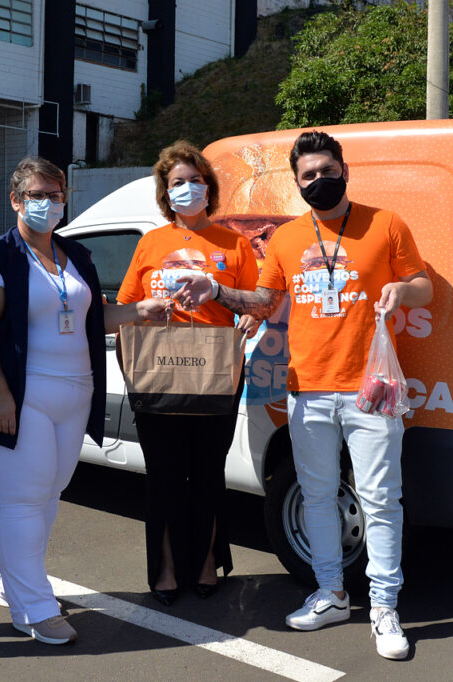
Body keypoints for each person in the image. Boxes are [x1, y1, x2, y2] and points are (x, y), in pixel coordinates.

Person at [175, 130, 433, 660]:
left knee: (382, 500)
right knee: (316, 497)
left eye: (326, 170)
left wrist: (403, 290)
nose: (319, 180)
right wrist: (217, 292)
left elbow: (424, 284)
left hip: (372, 390)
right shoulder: (289, 238)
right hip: (307, 389)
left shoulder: (386, 224)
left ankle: (384, 607)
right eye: (308, 176)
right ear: (297, 183)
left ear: (344, 169)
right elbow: (265, 301)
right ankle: (332, 593)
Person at [0, 157, 168, 645]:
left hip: (76, 394)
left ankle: (15, 584)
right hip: (21, 396)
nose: (47, 203)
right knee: (22, 501)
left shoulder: (78, 256)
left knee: (47, 497)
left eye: (55, 194)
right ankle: (33, 608)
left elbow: (94, 321)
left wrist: (140, 311)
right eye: (36, 195)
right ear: (15, 200)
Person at [116, 140, 259, 606]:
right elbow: (125, 308)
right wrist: (144, 311)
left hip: (215, 372)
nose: (188, 189)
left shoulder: (234, 244)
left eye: (196, 180)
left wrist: (234, 306)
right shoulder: (150, 243)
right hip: (157, 372)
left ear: (209, 188)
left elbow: (257, 304)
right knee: (162, 477)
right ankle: (166, 569)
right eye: (178, 182)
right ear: (165, 192)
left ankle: (205, 564)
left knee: (207, 475)